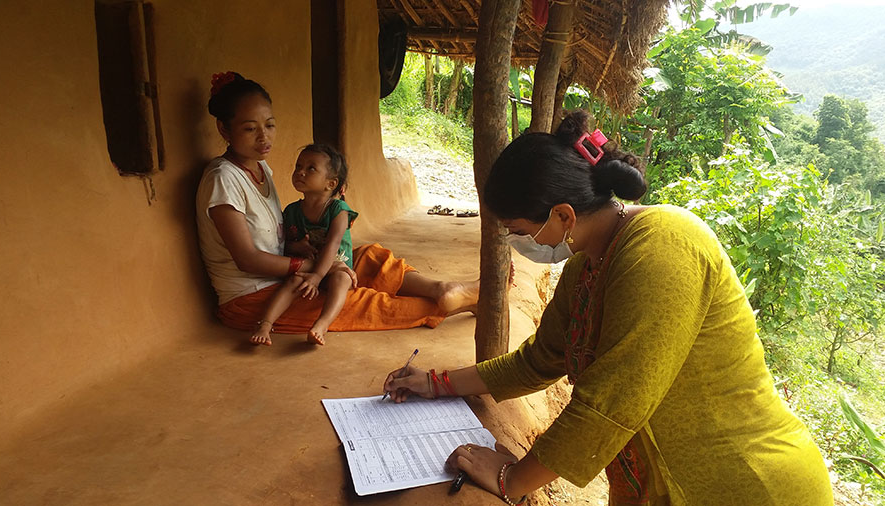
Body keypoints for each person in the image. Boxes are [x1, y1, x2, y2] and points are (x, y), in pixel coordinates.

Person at [382, 110, 833, 504]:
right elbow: (539, 361)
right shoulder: (587, 268)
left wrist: (511, 478)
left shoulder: (664, 246)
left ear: (562, 216)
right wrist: (437, 383)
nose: (518, 242)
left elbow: (612, 401)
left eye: (518, 229)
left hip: (744, 486)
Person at [196, 72, 478, 343]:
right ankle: (455, 303)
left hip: (288, 273)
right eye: (249, 128)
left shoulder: (260, 169)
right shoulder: (223, 179)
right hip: (254, 297)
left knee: (368, 257)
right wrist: (314, 266)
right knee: (357, 301)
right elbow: (248, 259)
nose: (264, 137)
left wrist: (305, 249)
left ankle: (440, 289)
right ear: (224, 128)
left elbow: (274, 238)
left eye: (269, 125)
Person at [249, 143, 357, 346]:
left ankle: (321, 324)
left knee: (342, 280)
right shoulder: (292, 211)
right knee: (292, 282)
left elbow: (333, 245)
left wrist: (317, 277)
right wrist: (296, 247)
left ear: (331, 184)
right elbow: (283, 244)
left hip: (335, 268)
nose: (300, 172)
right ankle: (265, 324)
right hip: (308, 267)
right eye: (298, 166)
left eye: (311, 168)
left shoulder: (339, 210)